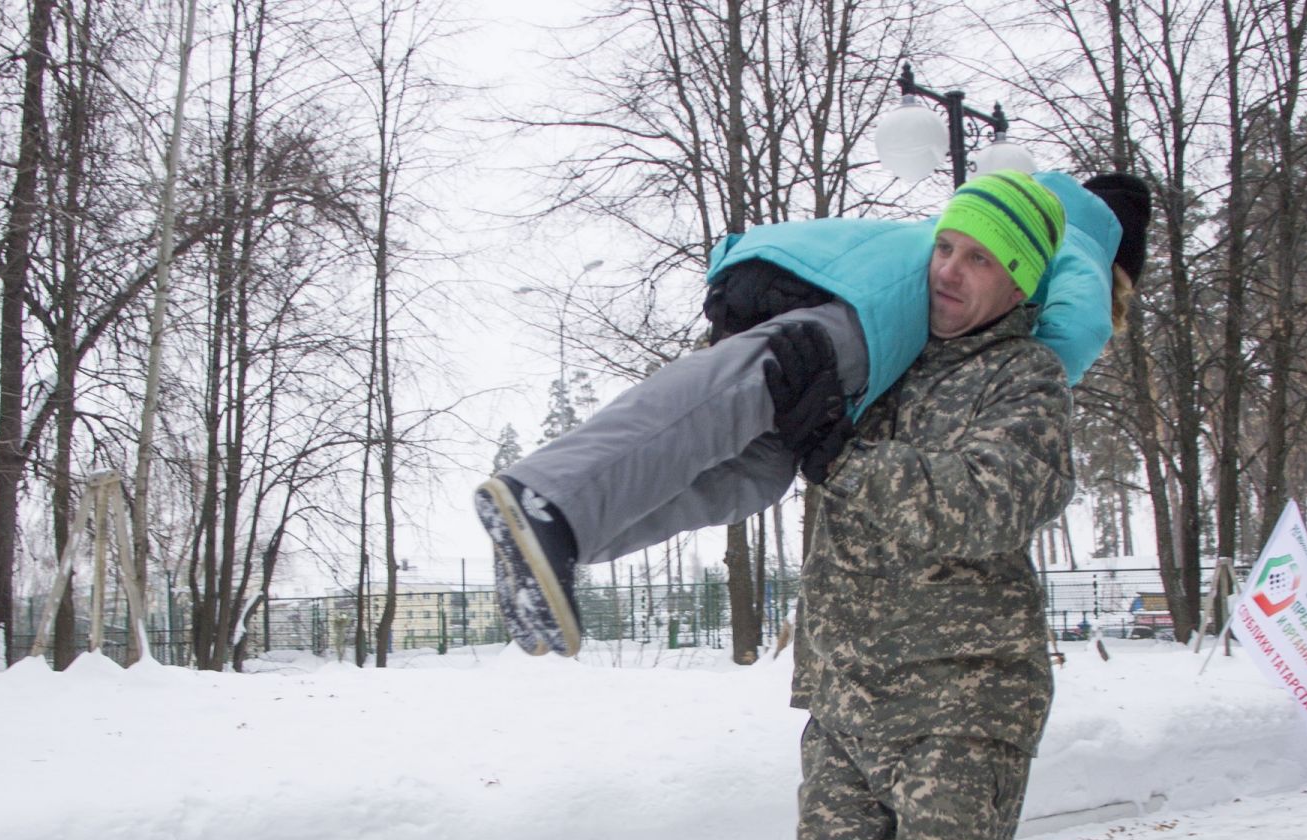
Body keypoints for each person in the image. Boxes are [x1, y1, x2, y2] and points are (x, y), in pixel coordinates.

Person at [474, 170, 1149, 657]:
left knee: (760, 471)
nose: (954, 266)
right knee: (745, 387)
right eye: (954, 251)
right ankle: (550, 498)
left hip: (878, 343)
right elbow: (1065, 344)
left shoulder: (1038, 204)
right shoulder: (1080, 247)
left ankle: (563, 543)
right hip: (878, 316)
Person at [788, 175, 1076, 840]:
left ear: (1020, 281)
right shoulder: (884, 358)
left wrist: (845, 456)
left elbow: (979, 504)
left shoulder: (1029, 385)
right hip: (849, 700)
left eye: (982, 258)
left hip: (965, 704)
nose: (951, 270)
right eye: (946, 247)